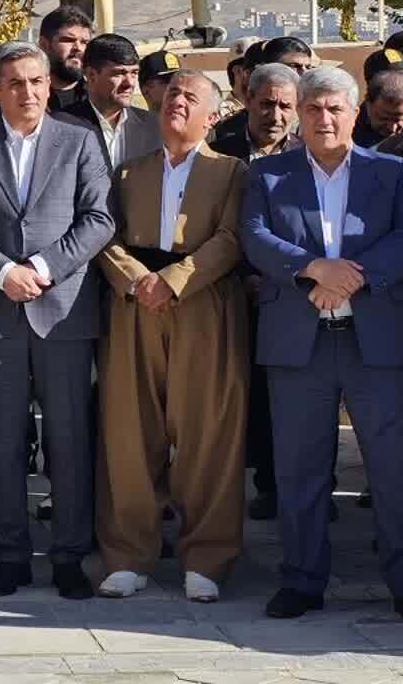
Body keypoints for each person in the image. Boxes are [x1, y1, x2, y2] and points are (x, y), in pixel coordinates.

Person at [240, 66, 403, 623]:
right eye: (312, 109)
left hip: (377, 340)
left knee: (396, 466)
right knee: (299, 471)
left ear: (354, 112)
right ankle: (302, 581)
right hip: (300, 343)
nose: (323, 119)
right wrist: (312, 269)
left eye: (334, 109)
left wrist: (353, 276)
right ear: (298, 115)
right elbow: (255, 237)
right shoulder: (269, 174)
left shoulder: (392, 171)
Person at [0, 41, 113, 599]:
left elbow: (98, 219)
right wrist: (2, 273)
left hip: (62, 311)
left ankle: (68, 555)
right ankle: (11, 554)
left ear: (51, 85)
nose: (28, 92)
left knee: (70, 439)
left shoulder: (79, 140)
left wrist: (41, 267)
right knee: (2, 442)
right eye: (15, 82)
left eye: (37, 81)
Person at [95, 72, 247, 603]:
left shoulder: (232, 172)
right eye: (171, 94)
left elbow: (230, 239)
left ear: (213, 115)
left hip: (202, 305)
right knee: (130, 430)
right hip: (135, 305)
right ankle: (128, 554)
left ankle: (206, 556)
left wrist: (176, 280)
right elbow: (104, 235)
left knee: (208, 434)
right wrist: (137, 279)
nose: (177, 102)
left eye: (191, 97)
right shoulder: (130, 172)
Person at [209, 61, 300, 518]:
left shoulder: (309, 152)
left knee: (278, 395)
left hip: (286, 292)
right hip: (227, 291)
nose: (276, 115)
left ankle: (279, 485)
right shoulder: (219, 149)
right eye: (267, 104)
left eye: (286, 106)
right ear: (248, 100)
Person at [68, 33, 161, 169]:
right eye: (119, 73)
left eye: (134, 73)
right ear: (91, 75)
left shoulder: (154, 125)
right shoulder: (62, 125)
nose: (129, 83)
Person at [37, 6, 93, 114]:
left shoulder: (98, 96)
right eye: (68, 40)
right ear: (44, 44)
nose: (78, 48)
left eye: (84, 42)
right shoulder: (25, 98)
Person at [355, 70, 403, 148]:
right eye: (384, 118)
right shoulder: (346, 131)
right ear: (368, 102)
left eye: (399, 119)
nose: (392, 128)